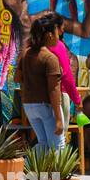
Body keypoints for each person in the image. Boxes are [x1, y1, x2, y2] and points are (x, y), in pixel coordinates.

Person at [18, 15, 65, 148]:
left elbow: (17, 78)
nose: (59, 36)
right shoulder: (50, 59)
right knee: (58, 145)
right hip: (46, 106)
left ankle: (27, 167)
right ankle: (58, 170)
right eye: (57, 32)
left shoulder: (26, 54)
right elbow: (53, 90)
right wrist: (58, 119)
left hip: (29, 106)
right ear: (50, 35)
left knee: (43, 143)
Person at [48, 13, 81, 126]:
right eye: (62, 27)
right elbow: (67, 76)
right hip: (59, 96)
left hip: (39, 99)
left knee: (44, 140)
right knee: (59, 140)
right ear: (57, 28)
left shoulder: (37, 47)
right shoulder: (59, 47)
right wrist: (77, 100)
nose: (63, 30)